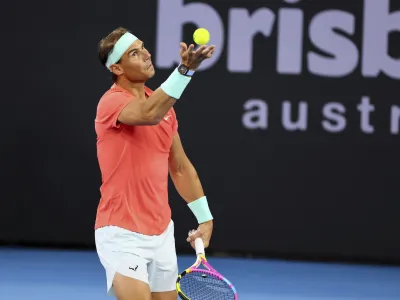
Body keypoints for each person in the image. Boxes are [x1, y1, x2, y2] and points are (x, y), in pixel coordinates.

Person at [94, 27, 216, 300]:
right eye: (135, 53)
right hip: (121, 232)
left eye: (143, 47)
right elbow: (148, 114)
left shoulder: (165, 110)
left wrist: (205, 218)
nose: (147, 55)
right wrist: (185, 71)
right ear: (117, 67)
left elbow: (180, 167)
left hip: (161, 233)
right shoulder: (111, 103)